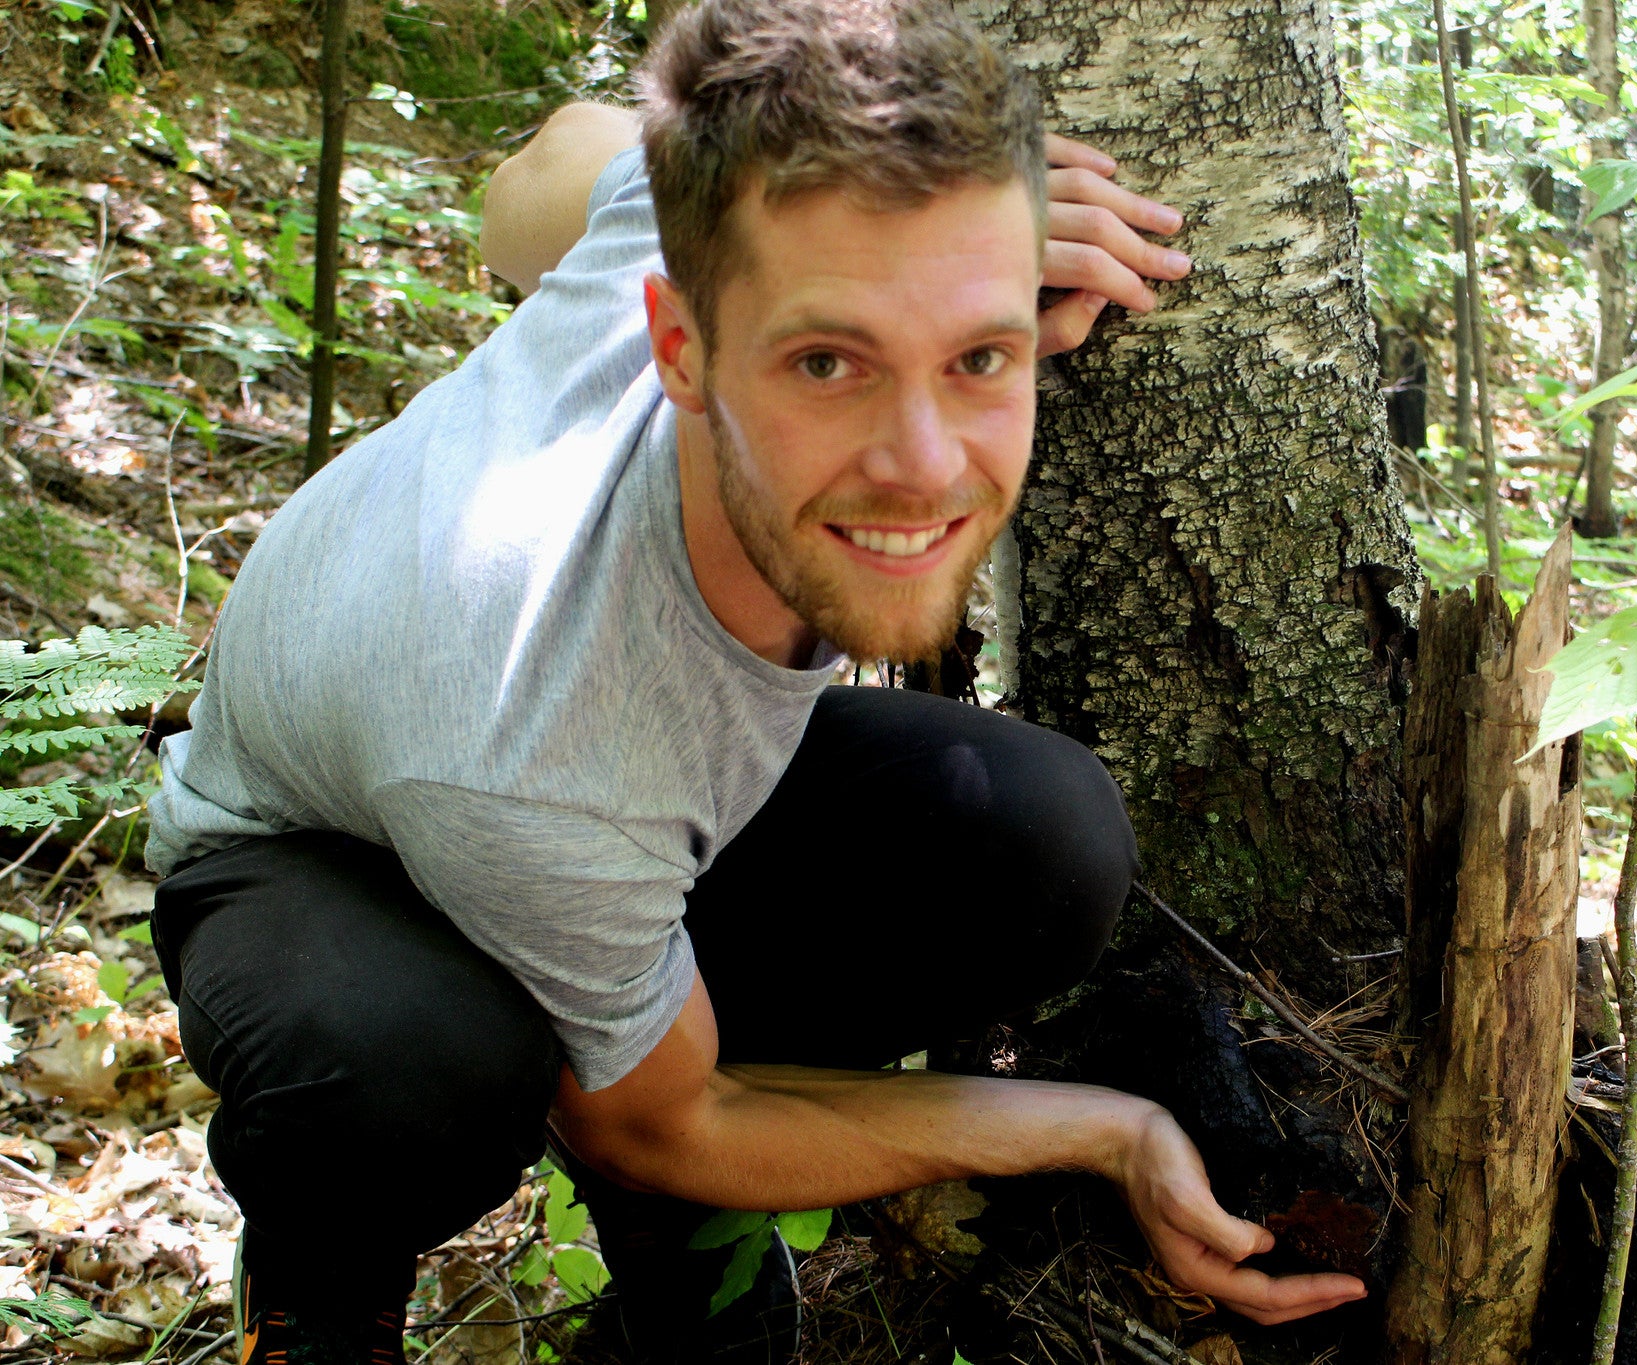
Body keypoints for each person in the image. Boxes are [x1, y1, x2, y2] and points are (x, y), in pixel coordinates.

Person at [144, 1, 1371, 1360]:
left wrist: (934, 248)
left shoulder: (698, 218)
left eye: (979, 355)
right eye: (829, 360)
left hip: (599, 799)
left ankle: (629, 1070)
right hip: (326, 849)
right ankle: (329, 1285)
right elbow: (678, 1114)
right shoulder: (534, 731)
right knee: (407, 1066)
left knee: (1035, 839)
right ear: (680, 345)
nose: (921, 462)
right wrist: (1104, 1130)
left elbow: (554, 166)